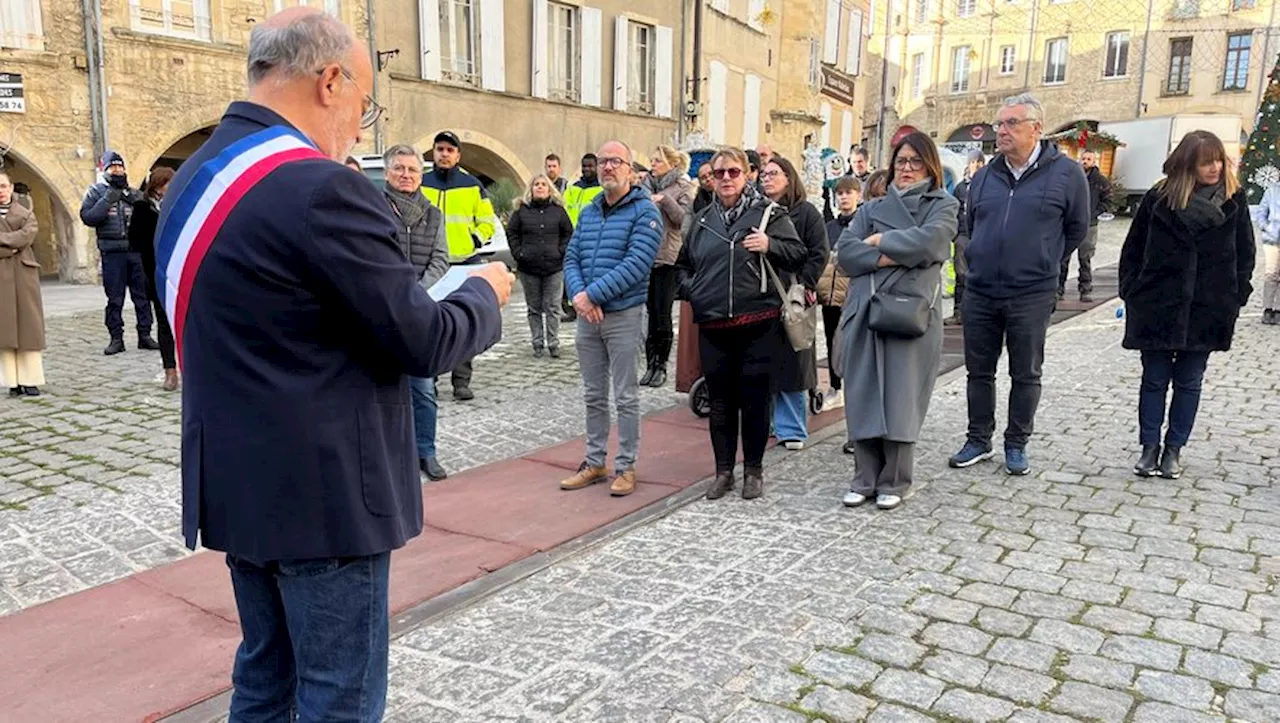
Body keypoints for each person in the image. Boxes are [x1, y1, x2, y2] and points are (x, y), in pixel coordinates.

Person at [158, 10, 512, 719]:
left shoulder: (193, 174)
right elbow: (423, 341)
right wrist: (483, 291)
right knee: (339, 695)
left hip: (236, 478)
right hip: (323, 494)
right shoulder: (322, 187)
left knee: (265, 676)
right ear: (328, 81)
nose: (360, 123)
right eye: (363, 102)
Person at [949, 93, 1089, 476]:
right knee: (979, 370)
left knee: (1025, 372)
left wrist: (1044, 257)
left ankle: (1016, 443)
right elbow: (972, 224)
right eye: (1000, 124)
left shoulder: (1066, 173)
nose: (1002, 131)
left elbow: (1077, 227)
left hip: (1031, 291)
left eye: (1011, 123)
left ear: (1036, 129)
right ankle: (979, 438)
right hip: (981, 289)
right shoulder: (985, 175)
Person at [1119, 131, 1255, 480]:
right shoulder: (1159, 198)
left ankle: (1174, 450)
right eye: (1205, 161)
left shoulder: (1233, 200)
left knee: (1190, 380)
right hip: (1157, 303)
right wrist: (1132, 289)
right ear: (1188, 164)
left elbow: (1245, 254)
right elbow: (1133, 248)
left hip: (1208, 306)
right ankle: (1150, 447)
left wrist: (1235, 295)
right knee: (1154, 379)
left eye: (1218, 159)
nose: (1214, 167)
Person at [676, 148, 805, 500]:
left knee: (755, 400)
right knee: (720, 402)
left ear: (747, 174)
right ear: (711, 179)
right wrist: (695, 291)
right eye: (719, 174)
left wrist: (770, 244)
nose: (727, 179)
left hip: (758, 323)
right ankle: (723, 472)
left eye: (734, 172)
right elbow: (682, 267)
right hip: (714, 325)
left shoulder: (768, 214)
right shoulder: (702, 221)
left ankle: (753, 470)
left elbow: (799, 253)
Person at [838, 133, 958, 511]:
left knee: (902, 394)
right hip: (867, 309)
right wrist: (893, 253)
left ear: (930, 166)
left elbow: (932, 243)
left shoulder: (944, 204)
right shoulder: (871, 207)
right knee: (863, 391)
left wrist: (880, 243)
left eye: (915, 162)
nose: (906, 169)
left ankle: (896, 478)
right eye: (901, 161)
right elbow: (846, 253)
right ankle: (865, 476)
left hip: (912, 310)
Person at [559, 141, 661, 498]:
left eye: (615, 161)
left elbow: (637, 264)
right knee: (593, 394)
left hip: (624, 315)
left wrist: (593, 295)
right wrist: (579, 297)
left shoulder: (645, 212)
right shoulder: (589, 211)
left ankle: (626, 466)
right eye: (602, 161)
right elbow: (571, 257)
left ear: (630, 170)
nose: (607, 167)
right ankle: (594, 460)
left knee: (626, 395)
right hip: (589, 316)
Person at [383, 144, 452, 482]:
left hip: (420, 311)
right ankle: (393, 456)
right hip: (381, 310)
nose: (406, 175)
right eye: (399, 169)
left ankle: (426, 451)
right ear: (387, 173)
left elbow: (441, 258)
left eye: (412, 170)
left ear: (421, 175)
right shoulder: (373, 209)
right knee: (380, 391)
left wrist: (416, 293)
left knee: (423, 388)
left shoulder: (433, 214)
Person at [421, 130, 497, 401]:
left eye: (450, 150)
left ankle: (461, 381)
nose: (444, 154)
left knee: (463, 323)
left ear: (458, 155)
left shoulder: (472, 185)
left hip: (464, 261)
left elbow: (488, 221)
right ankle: (428, 377)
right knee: (428, 322)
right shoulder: (422, 182)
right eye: (440, 149)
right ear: (434, 152)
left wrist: (475, 238)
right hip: (431, 265)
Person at [760, 155, 828, 450]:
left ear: (789, 177)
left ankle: (792, 428)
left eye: (774, 173)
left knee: (793, 361)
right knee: (764, 361)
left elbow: (819, 251)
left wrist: (806, 283)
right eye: (763, 174)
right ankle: (768, 422)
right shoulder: (758, 210)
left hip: (792, 295)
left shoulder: (806, 213)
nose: (767, 178)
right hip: (761, 295)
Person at [80, 151, 159, 356]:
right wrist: (108, 199)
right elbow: (89, 217)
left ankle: (145, 335)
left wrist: (135, 199)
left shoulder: (133, 193)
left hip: (136, 253)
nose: (117, 170)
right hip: (112, 253)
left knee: (142, 297)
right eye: (112, 167)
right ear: (105, 170)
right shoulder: (96, 192)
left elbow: (149, 217)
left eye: (119, 167)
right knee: (115, 299)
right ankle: (116, 338)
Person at [640, 145, 695, 388]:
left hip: (668, 257)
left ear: (672, 164)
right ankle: (650, 362)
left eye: (657, 160)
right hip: (646, 256)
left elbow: (684, 220)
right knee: (649, 314)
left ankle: (661, 364)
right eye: (652, 160)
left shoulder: (682, 186)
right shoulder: (645, 186)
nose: (653, 164)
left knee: (662, 314)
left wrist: (665, 200)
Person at [508, 174, 573, 358]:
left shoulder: (558, 211)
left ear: (550, 189)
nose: (540, 187)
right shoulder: (521, 211)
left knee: (552, 306)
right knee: (534, 307)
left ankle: (553, 343)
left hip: (554, 267)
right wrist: (518, 253)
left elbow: (568, 233)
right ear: (531, 188)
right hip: (529, 267)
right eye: (536, 184)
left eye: (544, 184)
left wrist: (561, 251)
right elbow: (512, 232)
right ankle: (537, 343)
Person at [128, 167, 179, 391]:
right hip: (156, 272)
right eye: (167, 183)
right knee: (165, 323)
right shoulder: (142, 207)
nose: (169, 187)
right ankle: (170, 371)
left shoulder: (180, 204)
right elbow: (135, 240)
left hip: (179, 271)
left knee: (186, 324)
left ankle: (192, 368)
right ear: (158, 185)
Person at [0, 171, 44, 397]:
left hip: (24, 273)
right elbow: (20, 240)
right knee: (5, 329)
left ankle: (30, 379)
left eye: (3, 186)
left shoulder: (25, 213)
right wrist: (14, 244)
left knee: (28, 326)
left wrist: (6, 242)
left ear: (11, 187)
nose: (1, 191)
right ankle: (12, 381)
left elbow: (28, 236)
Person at [817, 176, 859, 413]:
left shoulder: (861, 224)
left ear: (857, 196)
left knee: (852, 343)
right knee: (833, 341)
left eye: (848, 192)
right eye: (840, 193)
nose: (843, 197)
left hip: (851, 294)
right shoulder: (830, 227)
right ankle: (836, 386)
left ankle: (852, 387)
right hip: (830, 295)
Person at [1059, 149, 1112, 303]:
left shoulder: (1100, 181)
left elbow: (1108, 200)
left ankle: (1085, 289)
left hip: (1090, 225)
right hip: (1070, 223)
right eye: (1083, 158)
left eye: (1089, 159)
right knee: (1063, 257)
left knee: (1085, 258)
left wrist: (1094, 213)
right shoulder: (1071, 178)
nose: (1085, 161)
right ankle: (1059, 289)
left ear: (1094, 161)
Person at [562, 153, 603, 322]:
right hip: (572, 237)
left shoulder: (602, 188)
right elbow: (563, 210)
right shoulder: (573, 188)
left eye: (590, 166)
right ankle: (571, 306)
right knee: (572, 274)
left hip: (593, 238)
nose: (587, 169)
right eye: (584, 166)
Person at [946, 149, 985, 326]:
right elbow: (953, 211)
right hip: (962, 234)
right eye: (973, 163)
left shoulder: (988, 184)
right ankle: (959, 310)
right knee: (961, 274)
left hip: (981, 236)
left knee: (979, 274)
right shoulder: (961, 187)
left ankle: (978, 312)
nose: (975, 167)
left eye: (979, 163)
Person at [1253, 180, 1280, 325]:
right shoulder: (1271, 191)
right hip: (1272, 238)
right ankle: (1267, 308)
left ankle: (1278, 309)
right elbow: (1260, 214)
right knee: (1271, 273)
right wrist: (1267, 227)